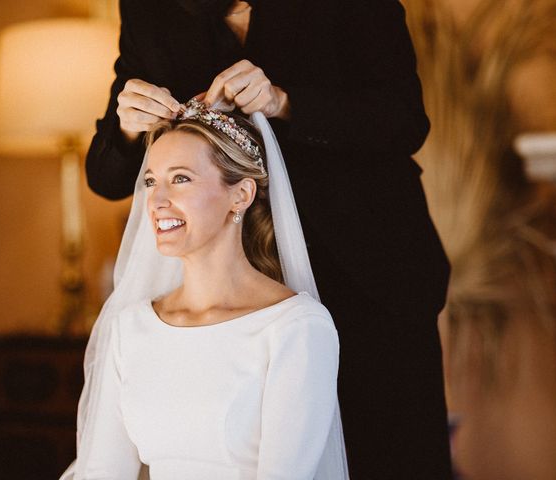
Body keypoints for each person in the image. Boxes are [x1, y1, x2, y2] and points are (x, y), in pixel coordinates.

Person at [86, 1, 453, 477]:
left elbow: (404, 119)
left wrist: (284, 102)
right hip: (232, 292)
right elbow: (105, 175)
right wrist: (129, 127)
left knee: (390, 455)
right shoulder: (149, 9)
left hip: (366, 274)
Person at [61, 100, 348, 479]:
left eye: (181, 178)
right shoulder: (130, 328)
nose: (158, 201)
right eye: (150, 181)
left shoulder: (296, 329)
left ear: (241, 195)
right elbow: (102, 471)